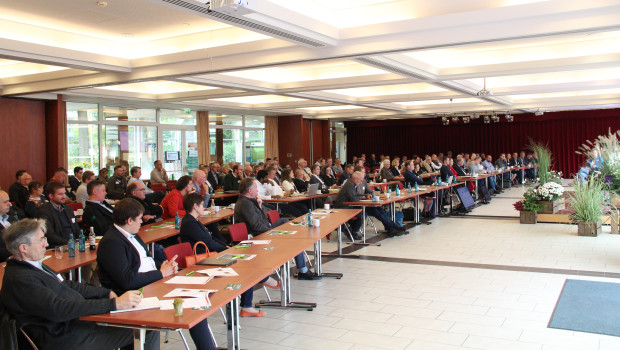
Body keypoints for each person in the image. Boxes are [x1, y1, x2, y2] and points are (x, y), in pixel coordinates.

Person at [0, 219, 160, 350]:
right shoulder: (21, 279)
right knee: (146, 327)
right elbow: (58, 310)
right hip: (63, 337)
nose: (46, 243)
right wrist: (112, 304)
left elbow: (67, 285)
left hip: (73, 325)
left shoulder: (33, 264)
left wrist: (104, 293)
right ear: (23, 248)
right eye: (41, 240)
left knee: (134, 323)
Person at [97, 199, 217, 349]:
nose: (142, 222)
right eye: (140, 219)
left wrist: (164, 266)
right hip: (137, 293)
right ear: (129, 220)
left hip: (154, 283)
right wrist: (161, 273)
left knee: (196, 303)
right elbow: (127, 280)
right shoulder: (112, 243)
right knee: (192, 306)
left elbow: (147, 260)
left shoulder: (132, 233)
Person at [234, 178, 321, 280]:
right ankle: (303, 270)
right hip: (257, 236)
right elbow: (256, 226)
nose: (257, 191)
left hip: (264, 229)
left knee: (284, 221)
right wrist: (271, 232)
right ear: (249, 191)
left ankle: (300, 260)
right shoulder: (245, 204)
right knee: (295, 241)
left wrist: (260, 206)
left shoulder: (249, 201)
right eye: (256, 188)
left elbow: (263, 218)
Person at [334, 172, 406, 238]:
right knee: (366, 212)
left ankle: (392, 227)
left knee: (377, 209)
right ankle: (353, 231)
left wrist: (365, 195)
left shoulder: (353, 184)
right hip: (344, 207)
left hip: (351, 205)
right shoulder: (349, 184)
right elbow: (353, 198)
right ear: (356, 179)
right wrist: (363, 197)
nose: (361, 182)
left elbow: (356, 196)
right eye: (361, 180)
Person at [37, 181, 80, 247]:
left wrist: (81, 240)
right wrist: (70, 243)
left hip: (75, 244)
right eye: (60, 194)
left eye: (64, 193)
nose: (64, 196)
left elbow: (76, 228)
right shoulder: (44, 211)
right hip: (59, 247)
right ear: (51, 196)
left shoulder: (68, 209)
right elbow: (50, 236)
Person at [0, 190, 19, 262]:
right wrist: (18, 250)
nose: (9, 204)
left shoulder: (11, 218)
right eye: (5, 202)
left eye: (9, 201)